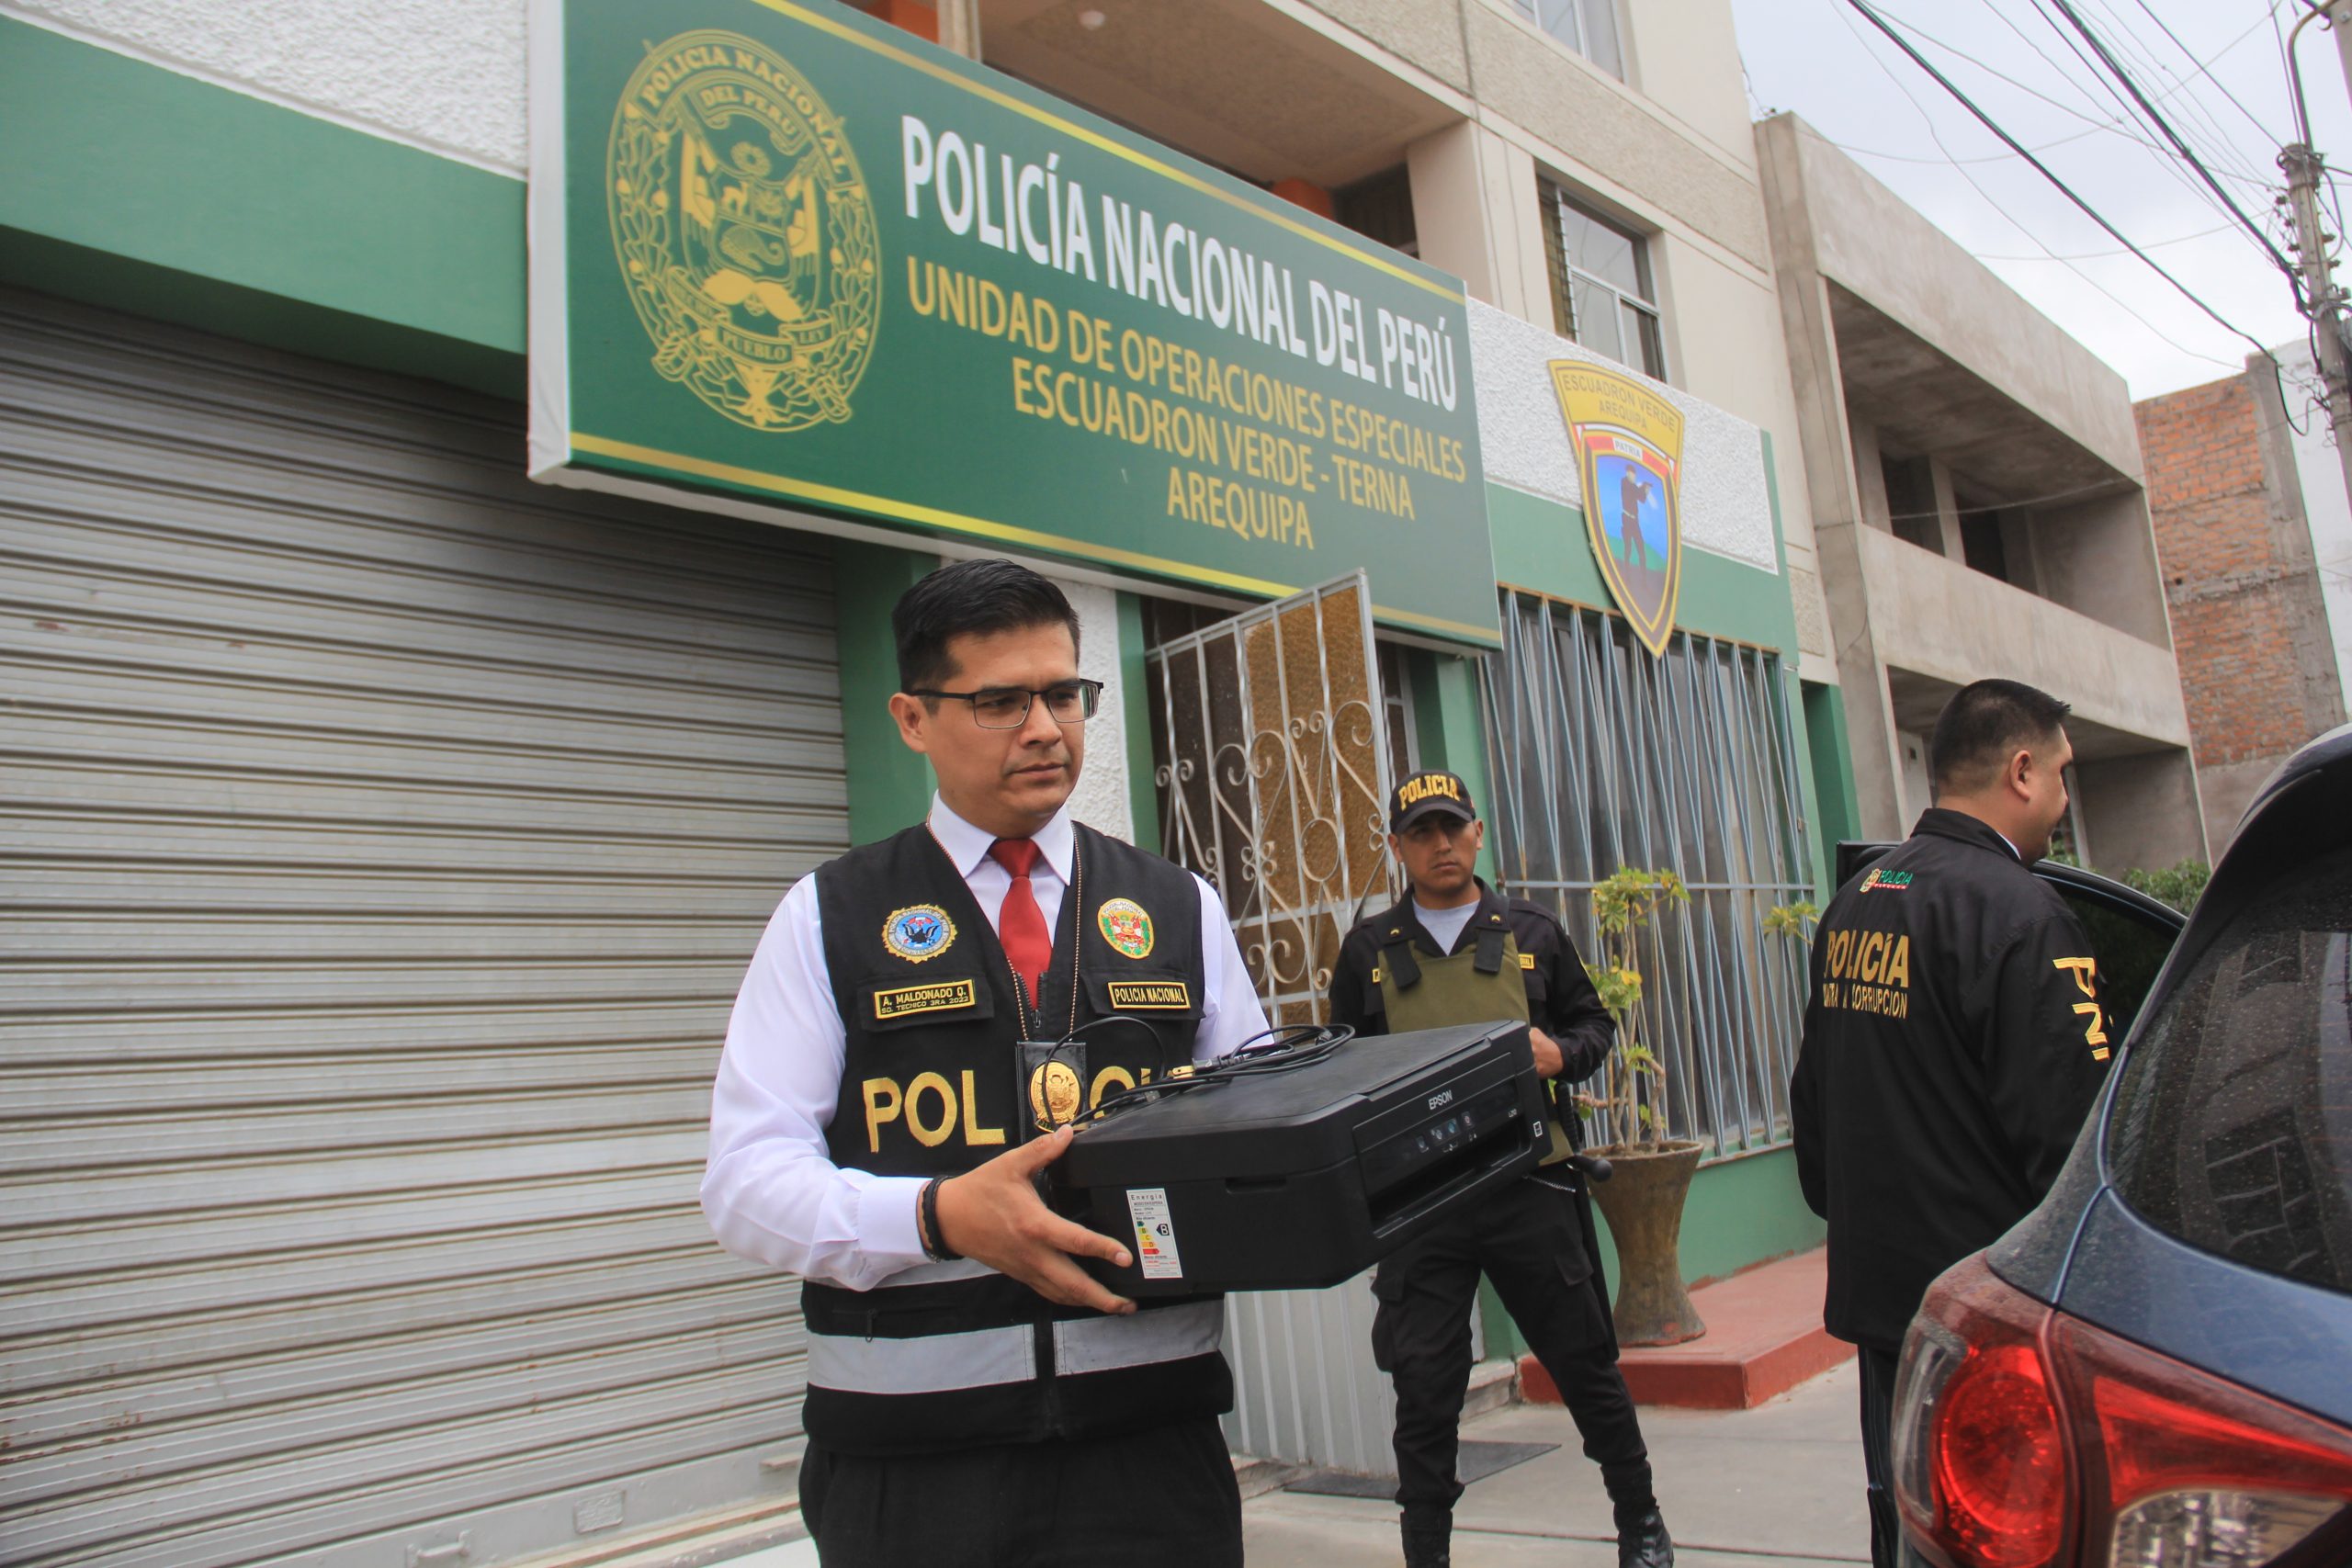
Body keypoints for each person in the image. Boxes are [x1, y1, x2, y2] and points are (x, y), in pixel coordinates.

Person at [701, 558, 1270, 1568]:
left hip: (1152, 1460)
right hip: (914, 1480)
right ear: (913, 719)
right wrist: (933, 1217)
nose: (1045, 728)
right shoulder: (829, 915)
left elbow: (1263, 1131)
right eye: (1000, 701)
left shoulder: (1178, 905)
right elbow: (745, 1188)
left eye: (1061, 693)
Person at [1791, 679, 2111, 1568]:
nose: (2063, 798)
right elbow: (2071, 1153)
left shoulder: (1853, 903)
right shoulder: (2024, 916)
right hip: (1988, 1328)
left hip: (1886, 1313)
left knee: (1904, 1526)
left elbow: (1813, 1123)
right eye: (2059, 774)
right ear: (2019, 771)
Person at [1328, 771, 1674, 1568]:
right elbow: (1339, 1068)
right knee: (1423, 1392)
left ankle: (1642, 1523)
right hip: (1420, 1204)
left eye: (1452, 828)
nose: (1440, 844)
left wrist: (1563, 1052)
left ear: (1478, 833)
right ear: (1398, 848)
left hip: (1529, 1184)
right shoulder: (1369, 950)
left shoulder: (1532, 931)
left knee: (1585, 1366)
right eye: (1421, 832)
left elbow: (1595, 1025)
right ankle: (1428, 1554)